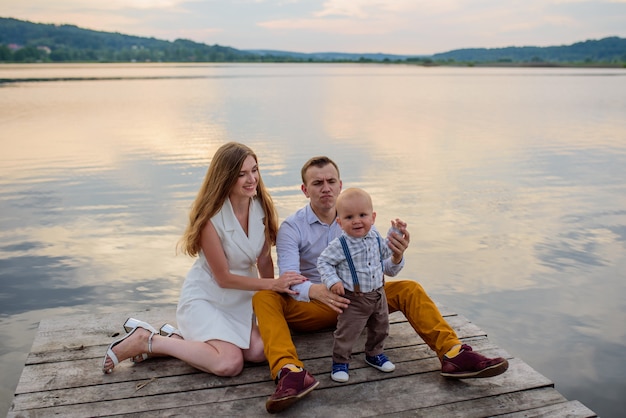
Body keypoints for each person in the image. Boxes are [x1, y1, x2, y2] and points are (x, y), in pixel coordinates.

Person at [252, 156, 509, 414]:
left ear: (340, 185)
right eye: (317, 183)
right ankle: (290, 372)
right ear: (305, 190)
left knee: (409, 288)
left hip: (362, 302)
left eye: (331, 181)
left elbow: (384, 268)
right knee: (265, 296)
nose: (326, 188)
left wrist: (397, 255)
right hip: (317, 307)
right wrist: (318, 290)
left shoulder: (361, 221)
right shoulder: (292, 228)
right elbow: (288, 279)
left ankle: (453, 354)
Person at [101, 142, 307, 376]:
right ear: (226, 178)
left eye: (254, 170)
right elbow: (224, 279)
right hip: (207, 299)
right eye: (241, 174)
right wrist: (273, 284)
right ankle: (147, 340)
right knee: (230, 363)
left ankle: (179, 340)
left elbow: (263, 260)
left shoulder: (261, 206)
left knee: (259, 352)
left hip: (241, 299)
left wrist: (269, 301)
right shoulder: (210, 219)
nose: (252, 179)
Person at [317, 187, 403, 383]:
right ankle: (340, 361)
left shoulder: (374, 237)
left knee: (381, 327)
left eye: (362, 215)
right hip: (354, 299)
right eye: (349, 217)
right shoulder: (340, 245)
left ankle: (374, 354)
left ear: (372, 217)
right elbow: (323, 262)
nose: (356, 221)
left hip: (378, 294)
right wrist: (333, 281)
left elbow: (386, 255)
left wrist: (396, 233)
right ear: (339, 222)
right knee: (347, 332)